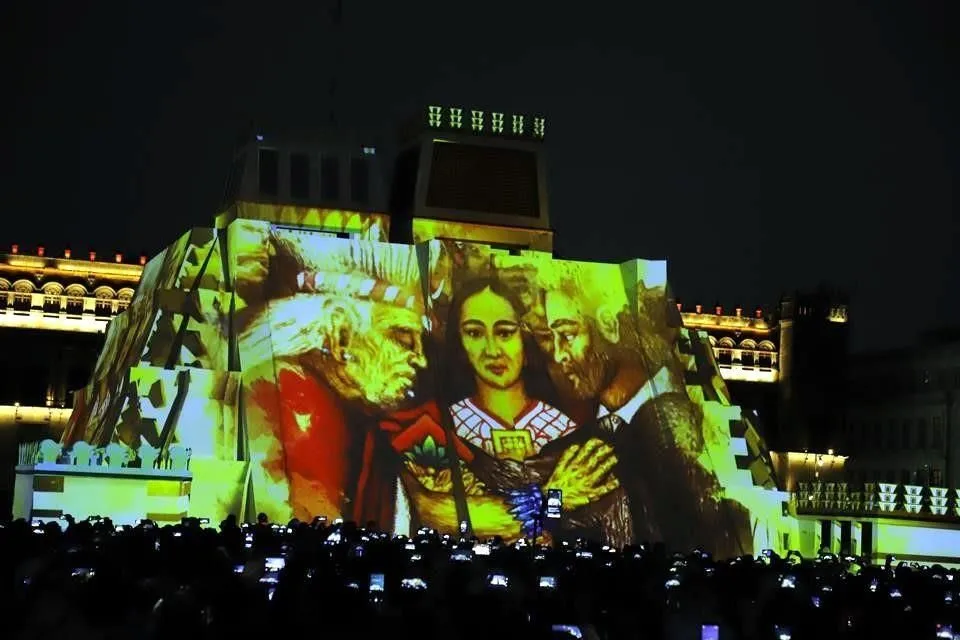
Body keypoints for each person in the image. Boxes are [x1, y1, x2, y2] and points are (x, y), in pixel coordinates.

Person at [536, 263, 751, 557]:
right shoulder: (567, 454)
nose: (559, 354)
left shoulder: (705, 427)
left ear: (609, 325)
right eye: (552, 337)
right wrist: (554, 498)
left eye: (568, 334)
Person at [393, 278, 621, 540]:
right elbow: (433, 513)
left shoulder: (564, 429)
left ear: (526, 339)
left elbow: (566, 523)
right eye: (475, 333)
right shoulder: (438, 428)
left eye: (504, 332)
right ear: (460, 344)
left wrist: (552, 507)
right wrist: (553, 497)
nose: (492, 350)